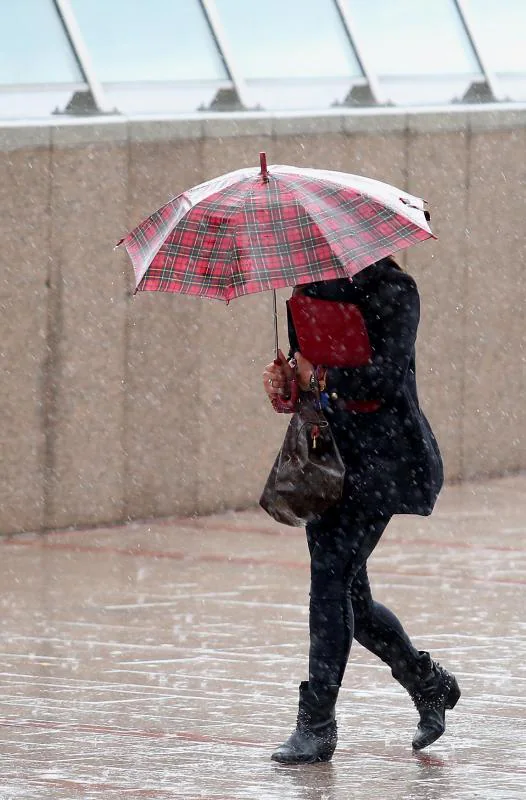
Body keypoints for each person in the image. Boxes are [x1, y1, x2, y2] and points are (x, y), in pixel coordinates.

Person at [262, 256, 460, 764]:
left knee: (329, 581)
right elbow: (309, 382)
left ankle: (317, 725)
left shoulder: (395, 289)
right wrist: (288, 385)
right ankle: (427, 682)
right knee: (351, 596)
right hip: (329, 457)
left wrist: (320, 375)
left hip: (387, 457)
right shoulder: (308, 286)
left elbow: (386, 378)